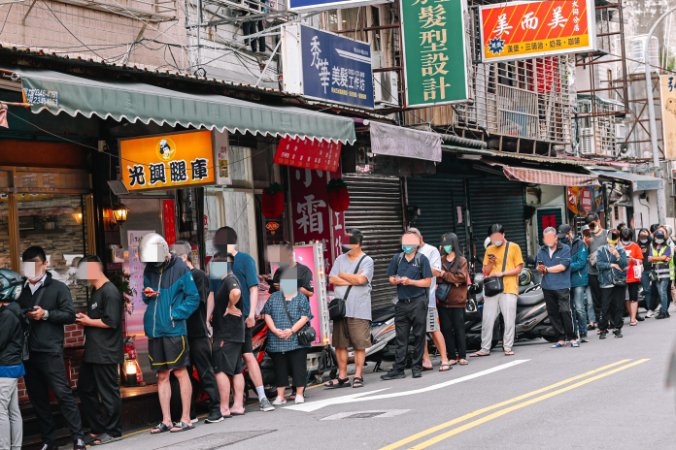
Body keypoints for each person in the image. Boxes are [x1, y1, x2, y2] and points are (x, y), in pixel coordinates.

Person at [18, 246, 86, 450]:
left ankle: (78, 437)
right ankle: (49, 440)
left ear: (45, 264)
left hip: (50, 350)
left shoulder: (58, 287)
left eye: (35, 265)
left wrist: (46, 314)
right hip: (28, 352)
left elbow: (68, 314)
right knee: (37, 399)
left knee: (63, 393)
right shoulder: (19, 289)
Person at [140, 233, 200, 434]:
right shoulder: (150, 268)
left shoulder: (181, 268)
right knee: (162, 375)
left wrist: (175, 314)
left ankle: (185, 418)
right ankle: (166, 420)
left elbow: (193, 298)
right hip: (155, 330)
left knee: (181, 372)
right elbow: (145, 293)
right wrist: (146, 293)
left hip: (174, 329)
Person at [211, 226, 275, 412]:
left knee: (246, 356)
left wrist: (251, 314)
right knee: (234, 362)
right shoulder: (218, 262)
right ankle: (238, 402)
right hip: (222, 322)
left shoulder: (245, 259)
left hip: (241, 318)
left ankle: (261, 397)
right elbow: (212, 293)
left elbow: (253, 287)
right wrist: (209, 318)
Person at [170, 242, 222, 424]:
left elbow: (195, 302)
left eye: (173, 257)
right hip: (181, 334)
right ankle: (188, 413)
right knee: (184, 375)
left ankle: (216, 409)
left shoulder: (198, 276)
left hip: (197, 332)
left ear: (184, 257)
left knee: (205, 371)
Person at [74, 256, 123, 445]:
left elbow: (112, 322)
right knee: (85, 389)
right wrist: (86, 319)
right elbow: (98, 319)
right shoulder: (96, 291)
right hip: (93, 351)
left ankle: (113, 431)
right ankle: (98, 428)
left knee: (108, 392)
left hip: (106, 351)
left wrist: (87, 321)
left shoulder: (110, 292)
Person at [381, 231, 433, 380]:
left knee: (418, 335)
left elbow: (427, 282)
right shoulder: (397, 259)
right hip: (402, 303)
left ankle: (417, 367)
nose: (407, 246)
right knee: (401, 337)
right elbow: (390, 278)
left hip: (418, 301)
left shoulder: (422, 260)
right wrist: (396, 280)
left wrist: (411, 282)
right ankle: (399, 369)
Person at [325, 229, 374, 389]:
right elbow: (332, 278)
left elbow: (361, 280)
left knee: (359, 344)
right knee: (340, 344)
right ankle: (343, 376)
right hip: (341, 309)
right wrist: (351, 279)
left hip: (359, 309)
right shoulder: (340, 258)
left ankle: (358, 375)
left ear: (358, 244)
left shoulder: (367, 261)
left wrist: (344, 276)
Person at [471, 224, 524, 357]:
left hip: (509, 287)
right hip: (492, 289)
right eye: (493, 237)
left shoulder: (514, 247)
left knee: (509, 319)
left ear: (503, 234)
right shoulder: (490, 249)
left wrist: (503, 273)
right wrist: (490, 263)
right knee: (487, 319)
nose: (496, 239)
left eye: (497, 236)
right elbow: (485, 272)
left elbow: (519, 268)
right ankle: (484, 348)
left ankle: (507, 346)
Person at [261, 268, 312, 404]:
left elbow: (305, 317)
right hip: (277, 339)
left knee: (298, 366)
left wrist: (291, 330)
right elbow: (267, 314)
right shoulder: (274, 297)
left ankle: (299, 393)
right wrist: (275, 330)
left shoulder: (301, 297)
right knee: (279, 368)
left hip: (296, 339)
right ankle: (280, 395)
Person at [207, 253, 246, 418]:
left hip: (227, 334)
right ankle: (237, 405)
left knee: (220, 369)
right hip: (234, 333)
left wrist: (230, 305)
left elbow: (236, 293)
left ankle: (224, 407)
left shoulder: (230, 279)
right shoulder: (226, 280)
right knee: (236, 369)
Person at [407, 228, 452, 372]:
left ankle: (445, 359)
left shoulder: (431, 251)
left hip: (428, 298)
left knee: (433, 329)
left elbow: (437, 271)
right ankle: (426, 360)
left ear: (421, 238)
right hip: (412, 298)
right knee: (419, 332)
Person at [537, 227, 576, 348]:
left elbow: (563, 267)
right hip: (547, 286)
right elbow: (539, 267)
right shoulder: (541, 251)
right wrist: (540, 269)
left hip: (562, 286)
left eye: (550, 237)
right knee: (553, 313)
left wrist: (547, 269)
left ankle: (572, 337)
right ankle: (560, 338)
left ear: (555, 238)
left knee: (565, 311)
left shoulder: (565, 248)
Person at [0, 269, 26, 450]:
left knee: (1, 411)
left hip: (6, 367)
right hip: (12, 365)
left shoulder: (8, 314)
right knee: (13, 410)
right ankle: (15, 447)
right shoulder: (13, 310)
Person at [437, 233, 469, 366]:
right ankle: (451, 356)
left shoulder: (461, 261)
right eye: (444, 244)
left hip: (457, 300)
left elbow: (461, 278)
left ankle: (462, 355)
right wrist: (450, 278)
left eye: (448, 244)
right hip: (443, 300)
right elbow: (438, 277)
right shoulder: (440, 259)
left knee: (459, 328)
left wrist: (445, 275)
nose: (446, 247)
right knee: (445, 329)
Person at [596, 229, 629, 339]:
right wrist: (612, 265)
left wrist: (618, 256)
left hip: (619, 281)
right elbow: (599, 264)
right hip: (606, 281)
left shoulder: (621, 250)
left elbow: (625, 266)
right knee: (605, 305)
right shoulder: (601, 250)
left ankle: (617, 328)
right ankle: (603, 328)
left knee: (619, 305)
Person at [559, 224, 589, 342]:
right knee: (569, 310)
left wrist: (565, 266)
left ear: (570, 233)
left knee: (579, 308)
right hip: (565, 281)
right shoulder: (561, 244)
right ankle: (573, 335)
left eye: (564, 235)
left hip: (579, 280)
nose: (563, 237)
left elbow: (581, 262)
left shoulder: (580, 244)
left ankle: (583, 332)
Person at [585, 213, 608, 327]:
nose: (592, 227)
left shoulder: (607, 234)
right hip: (592, 272)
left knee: (607, 296)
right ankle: (600, 323)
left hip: (606, 271)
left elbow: (613, 250)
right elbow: (583, 254)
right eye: (590, 226)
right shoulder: (587, 236)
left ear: (598, 221)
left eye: (593, 224)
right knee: (596, 299)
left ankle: (609, 320)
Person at [619, 229, 643, 326]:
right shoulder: (618, 246)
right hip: (622, 275)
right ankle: (631, 315)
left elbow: (640, 260)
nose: (626, 240)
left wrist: (633, 259)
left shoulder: (635, 246)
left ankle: (633, 318)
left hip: (633, 275)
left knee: (633, 297)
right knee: (626, 298)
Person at [649, 229, 672, 320]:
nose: (659, 239)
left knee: (662, 292)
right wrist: (661, 258)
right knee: (660, 293)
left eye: (661, 237)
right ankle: (665, 311)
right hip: (655, 274)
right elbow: (650, 259)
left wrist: (656, 258)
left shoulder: (667, 247)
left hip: (665, 273)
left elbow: (666, 258)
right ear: (654, 238)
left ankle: (663, 311)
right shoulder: (652, 247)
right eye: (657, 237)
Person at [637, 229, 654, 318]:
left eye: (645, 235)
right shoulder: (637, 245)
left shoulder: (652, 244)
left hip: (653, 269)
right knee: (646, 290)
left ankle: (661, 308)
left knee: (658, 288)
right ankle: (649, 309)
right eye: (641, 235)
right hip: (643, 270)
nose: (643, 237)